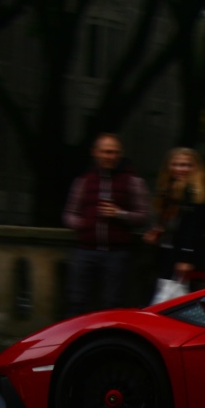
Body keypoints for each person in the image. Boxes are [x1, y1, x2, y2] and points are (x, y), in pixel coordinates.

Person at [62, 133, 149, 317]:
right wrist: (83, 224)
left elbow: (143, 216)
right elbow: (69, 214)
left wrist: (119, 214)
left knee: (112, 304)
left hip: (116, 253)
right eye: (106, 152)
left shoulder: (132, 181)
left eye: (115, 152)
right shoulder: (84, 181)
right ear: (95, 153)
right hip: (85, 250)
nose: (111, 156)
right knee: (77, 300)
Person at [144, 147, 205, 295]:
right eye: (176, 164)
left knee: (176, 301)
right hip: (165, 254)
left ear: (196, 167)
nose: (181, 169)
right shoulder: (168, 188)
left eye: (186, 165)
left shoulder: (197, 191)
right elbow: (170, 223)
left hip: (185, 257)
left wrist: (186, 257)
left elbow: (194, 228)